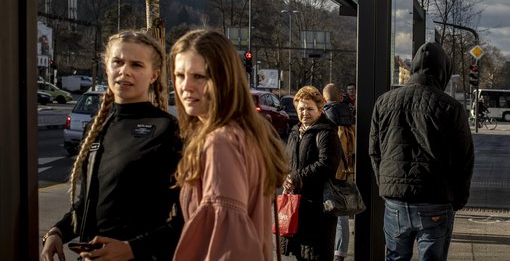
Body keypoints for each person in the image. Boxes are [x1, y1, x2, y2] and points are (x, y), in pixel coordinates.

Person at [40, 30, 182, 261]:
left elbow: (185, 220)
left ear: (154, 75)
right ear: (107, 67)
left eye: (136, 65)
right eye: (118, 61)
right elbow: (88, 205)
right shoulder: (96, 129)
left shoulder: (166, 129)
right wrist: (57, 232)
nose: (125, 70)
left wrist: (131, 248)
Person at [169, 29, 289, 260]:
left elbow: (230, 246)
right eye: (180, 75)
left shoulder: (220, 142)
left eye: (199, 77)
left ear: (224, 79)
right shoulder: (247, 132)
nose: (186, 86)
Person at [370, 42, 475, 261]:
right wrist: (459, 198)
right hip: (435, 198)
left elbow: (375, 150)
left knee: (395, 257)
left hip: (395, 199)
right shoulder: (450, 107)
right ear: (442, 71)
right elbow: (464, 158)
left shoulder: (384, 101)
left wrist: (386, 184)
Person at [281, 85, 343, 261]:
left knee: (316, 254)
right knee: (301, 254)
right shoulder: (295, 132)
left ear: (320, 109)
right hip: (298, 205)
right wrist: (286, 178)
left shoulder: (327, 132)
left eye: (309, 108)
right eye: (301, 108)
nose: (305, 113)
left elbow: (327, 164)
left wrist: (297, 177)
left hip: (319, 207)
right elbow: (289, 162)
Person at [322, 83, 356, 261]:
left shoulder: (326, 116)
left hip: (333, 171)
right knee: (342, 214)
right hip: (346, 169)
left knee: (332, 212)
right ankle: (340, 253)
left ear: (323, 99)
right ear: (340, 97)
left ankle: (334, 252)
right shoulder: (348, 113)